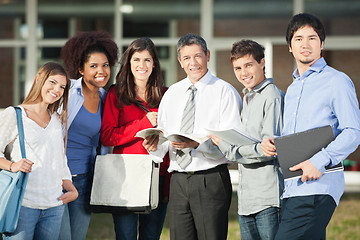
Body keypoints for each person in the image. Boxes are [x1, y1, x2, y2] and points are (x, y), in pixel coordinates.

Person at [261, 13, 360, 239]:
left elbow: (353, 132)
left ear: (322, 44)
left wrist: (319, 161)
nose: (305, 44)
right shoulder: (293, 88)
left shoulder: (337, 81)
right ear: (289, 46)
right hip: (293, 187)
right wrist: (277, 143)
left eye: (312, 38)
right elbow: (298, 135)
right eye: (298, 38)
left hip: (318, 185)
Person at [143, 33, 242, 240]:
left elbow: (233, 144)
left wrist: (197, 143)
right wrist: (154, 145)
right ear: (180, 61)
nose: (193, 63)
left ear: (207, 55)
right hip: (178, 180)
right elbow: (164, 135)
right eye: (186, 58)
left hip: (211, 178)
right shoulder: (172, 94)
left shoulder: (225, 91)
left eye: (197, 56)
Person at [209, 39, 284, 240]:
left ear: (262, 62)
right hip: (246, 200)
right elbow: (254, 146)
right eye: (237, 68)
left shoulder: (272, 97)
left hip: (268, 199)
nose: (243, 73)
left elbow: (268, 151)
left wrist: (226, 147)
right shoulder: (248, 97)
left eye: (249, 65)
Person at [100, 37, 171, 240]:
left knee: (151, 237)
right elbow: (107, 136)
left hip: (157, 176)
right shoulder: (116, 93)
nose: (142, 65)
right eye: (136, 59)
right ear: (128, 63)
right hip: (126, 177)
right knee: (126, 236)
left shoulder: (166, 96)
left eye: (147, 60)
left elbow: (172, 136)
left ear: (154, 64)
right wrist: (143, 123)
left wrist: (161, 140)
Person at [0, 62, 78, 240]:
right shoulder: (15, 114)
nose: (56, 89)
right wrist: (13, 165)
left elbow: (60, 161)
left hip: (54, 205)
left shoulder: (57, 120)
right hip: (23, 205)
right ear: (38, 80)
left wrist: (71, 189)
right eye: (52, 82)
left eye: (62, 87)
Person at [59, 31, 119, 240]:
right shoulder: (67, 93)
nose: (101, 71)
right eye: (93, 66)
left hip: (85, 181)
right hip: (58, 178)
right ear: (80, 69)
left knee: (77, 236)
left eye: (104, 65)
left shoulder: (107, 98)